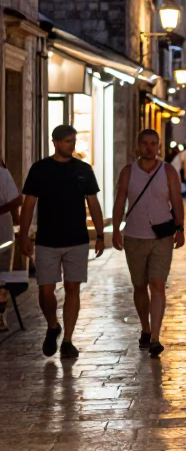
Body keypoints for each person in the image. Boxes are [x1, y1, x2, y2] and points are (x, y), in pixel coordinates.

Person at [17, 124, 105, 359]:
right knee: (46, 290)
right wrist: (23, 235)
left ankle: (68, 340)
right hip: (47, 240)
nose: (71, 145)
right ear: (54, 142)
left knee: (73, 287)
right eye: (67, 141)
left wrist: (100, 234)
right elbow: (28, 204)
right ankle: (53, 325)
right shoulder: (40, 169)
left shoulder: (84, 170)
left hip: (76, 239)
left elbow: (93, 203)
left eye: (74, 141)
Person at [111, 128, 185, 357]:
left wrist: (181, 229)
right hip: (134, 236)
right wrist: (115, 230)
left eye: (154, 143)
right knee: (140, 286)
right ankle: (144, 327)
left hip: (161, 237)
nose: (150, 147)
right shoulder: (127, 172)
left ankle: (155, 336)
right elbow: (120, 201)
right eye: (145, 143)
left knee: (158, 284)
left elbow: (177, 201)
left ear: (159, 147)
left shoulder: (169, 171)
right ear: (138, 146)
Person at [0, 160, 22, 332]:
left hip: (2, 232)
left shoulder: (2, 173)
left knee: (2, 276)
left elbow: (17, 199)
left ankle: (0, 316)